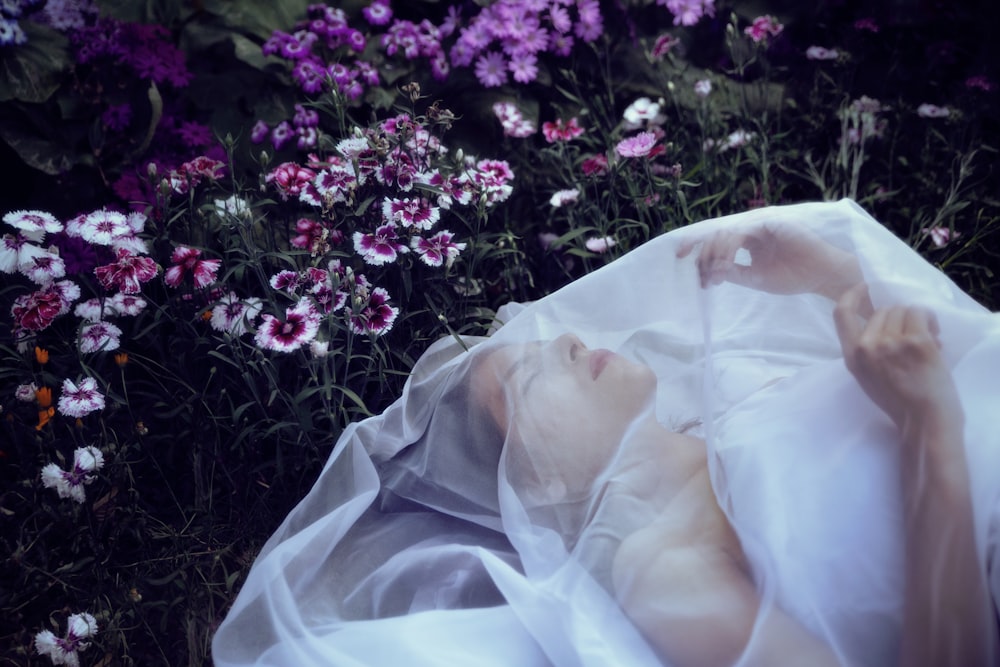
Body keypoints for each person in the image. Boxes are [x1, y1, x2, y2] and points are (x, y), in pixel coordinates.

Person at [212, 200, 1000, 666]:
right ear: (536, 483)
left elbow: (951, 368)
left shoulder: (736, 409)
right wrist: (928, 422)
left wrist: (833, 280)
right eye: (523, 380)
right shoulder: (666, 569)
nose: (559, 342)